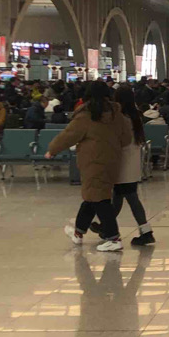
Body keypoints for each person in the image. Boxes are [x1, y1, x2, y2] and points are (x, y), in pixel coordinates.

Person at [46, 81, 133, 252]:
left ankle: (113, 238)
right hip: (112, 160)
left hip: (92, 161)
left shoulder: (86, 115)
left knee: (100, 200)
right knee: (92, 196)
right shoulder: (116, 114)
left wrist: (52, 150)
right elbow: (127, 139)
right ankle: (78, 232)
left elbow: (68, 135)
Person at [103, 86, 155, 246]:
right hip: (132, 161)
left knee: (131, 198)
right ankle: (107, 227)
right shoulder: (135, 115)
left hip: (122, 162)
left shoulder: (121, 117)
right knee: (119, 196)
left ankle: (146, 232)